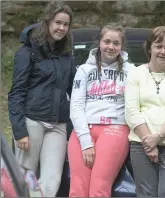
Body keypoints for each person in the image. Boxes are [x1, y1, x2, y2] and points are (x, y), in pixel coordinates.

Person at [8, 1, 75, 197]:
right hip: (32, 122)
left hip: (58, 125)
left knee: (51, 181)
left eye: (66, 24)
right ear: (47, 22)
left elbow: (72, 90)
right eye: (58, 22)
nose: (61, 28)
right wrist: (20, 131)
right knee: (25, 179)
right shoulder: (27, 51)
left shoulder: (66, 55)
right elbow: (16, 92)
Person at [68, 24, 135, 197]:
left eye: (116, 43)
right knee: (77, 190)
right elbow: (76, 106)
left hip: (115, 129)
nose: (111, 47)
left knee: (99, 189)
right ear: (99, 42)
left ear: (121, 46)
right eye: (107, 41)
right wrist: (85, 142)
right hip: (83, 130)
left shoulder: (132, 71)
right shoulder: (84, 70)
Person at [125, 26, 165, 197]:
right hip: (140, 142)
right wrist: (148, 142)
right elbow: (132, 111)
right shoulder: (135, 74)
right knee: (146, 193)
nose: (163, 51)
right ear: (150, 48)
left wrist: (157, 137)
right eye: (158, 46)